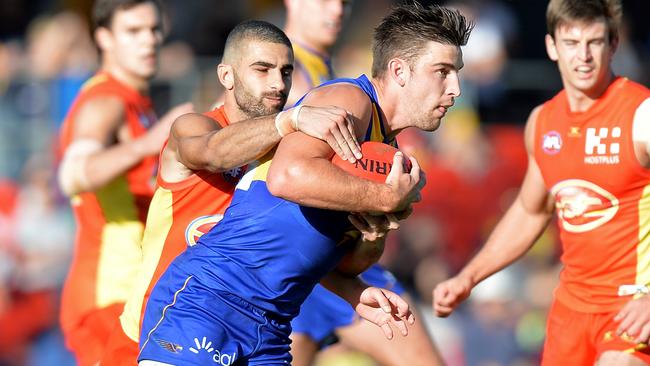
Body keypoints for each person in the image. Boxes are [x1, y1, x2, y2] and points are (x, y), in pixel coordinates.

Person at [139, 3, 471, 365]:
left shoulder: (388, 156)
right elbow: (287, 177)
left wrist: (371, 247)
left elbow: (345, 261)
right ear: (399, 71)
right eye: (442, 71)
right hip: (211, 305)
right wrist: (382, 196)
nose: (454, 88)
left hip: (271, 328)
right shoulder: (349, 101)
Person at [99, 19, 362, 366]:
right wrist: (291, 120)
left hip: (239, 337)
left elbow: (296, 253)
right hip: (146, 336)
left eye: (285, 72)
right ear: (226, 76)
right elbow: (212, 153)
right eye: (262, 69)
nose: (277, 83)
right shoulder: (195, 126)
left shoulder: (288, 159)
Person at [433, 0, 650, 365]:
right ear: (551, 46)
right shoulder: (544, 122)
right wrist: (469, 277)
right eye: (571, 43)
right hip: (571, 308)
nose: (583, 56)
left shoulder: (640, 115)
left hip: (631, 304)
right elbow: (530, 211)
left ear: (613, 45)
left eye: (594, 42)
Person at [283, 1, 444, 365]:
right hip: (293, 250)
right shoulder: (277, 66)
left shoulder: (326, 69)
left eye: (343, 1)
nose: (337, 10)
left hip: (329, 256)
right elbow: (230, 137)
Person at [56, 1, 193, 365]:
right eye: (133, 31)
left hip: (134, 294)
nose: (148, 41)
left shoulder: (137, 104)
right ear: (103, 37)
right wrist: (150, 143)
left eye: (153, 29)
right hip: (106, 296)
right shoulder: (105, 102)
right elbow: (72, 174)